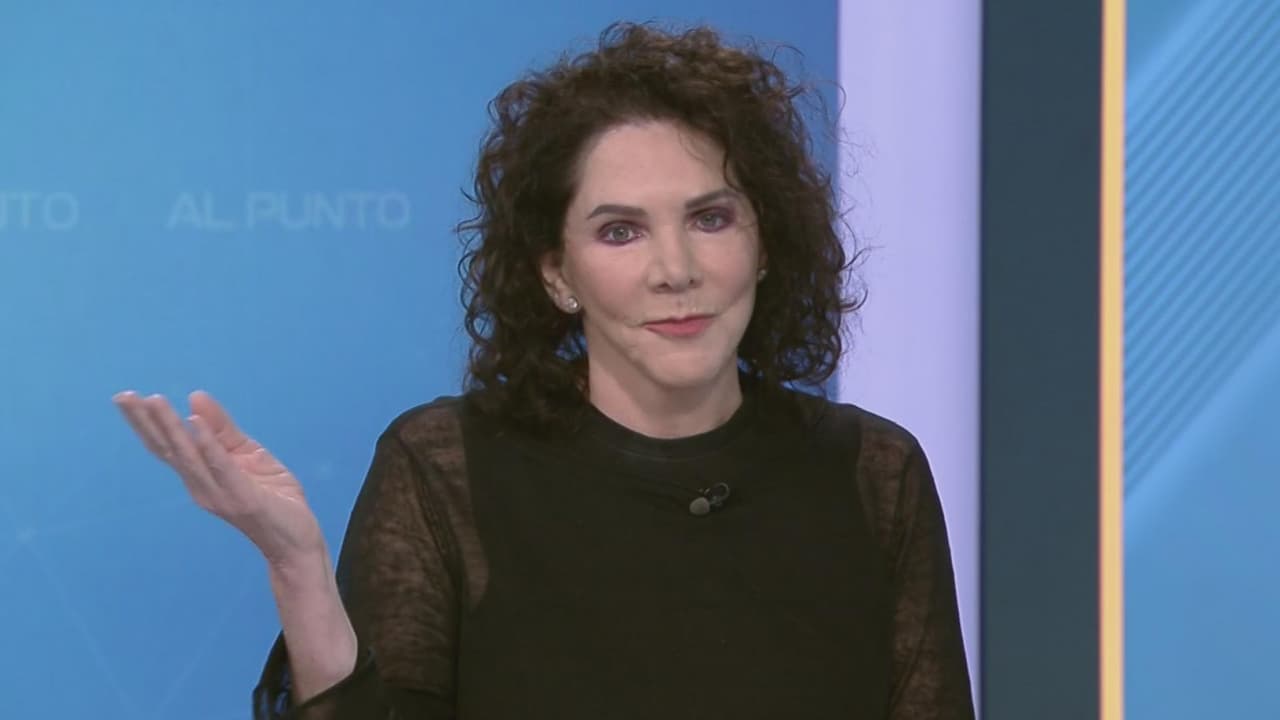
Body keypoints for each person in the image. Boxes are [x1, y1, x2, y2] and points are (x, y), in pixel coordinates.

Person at [112, 21, 974, 719]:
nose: (675, 269)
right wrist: (298, 567)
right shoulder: (447, 467)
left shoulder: (872, 472)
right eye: (620, 231)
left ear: (765, 242)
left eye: (710, 218)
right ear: (557, 274)